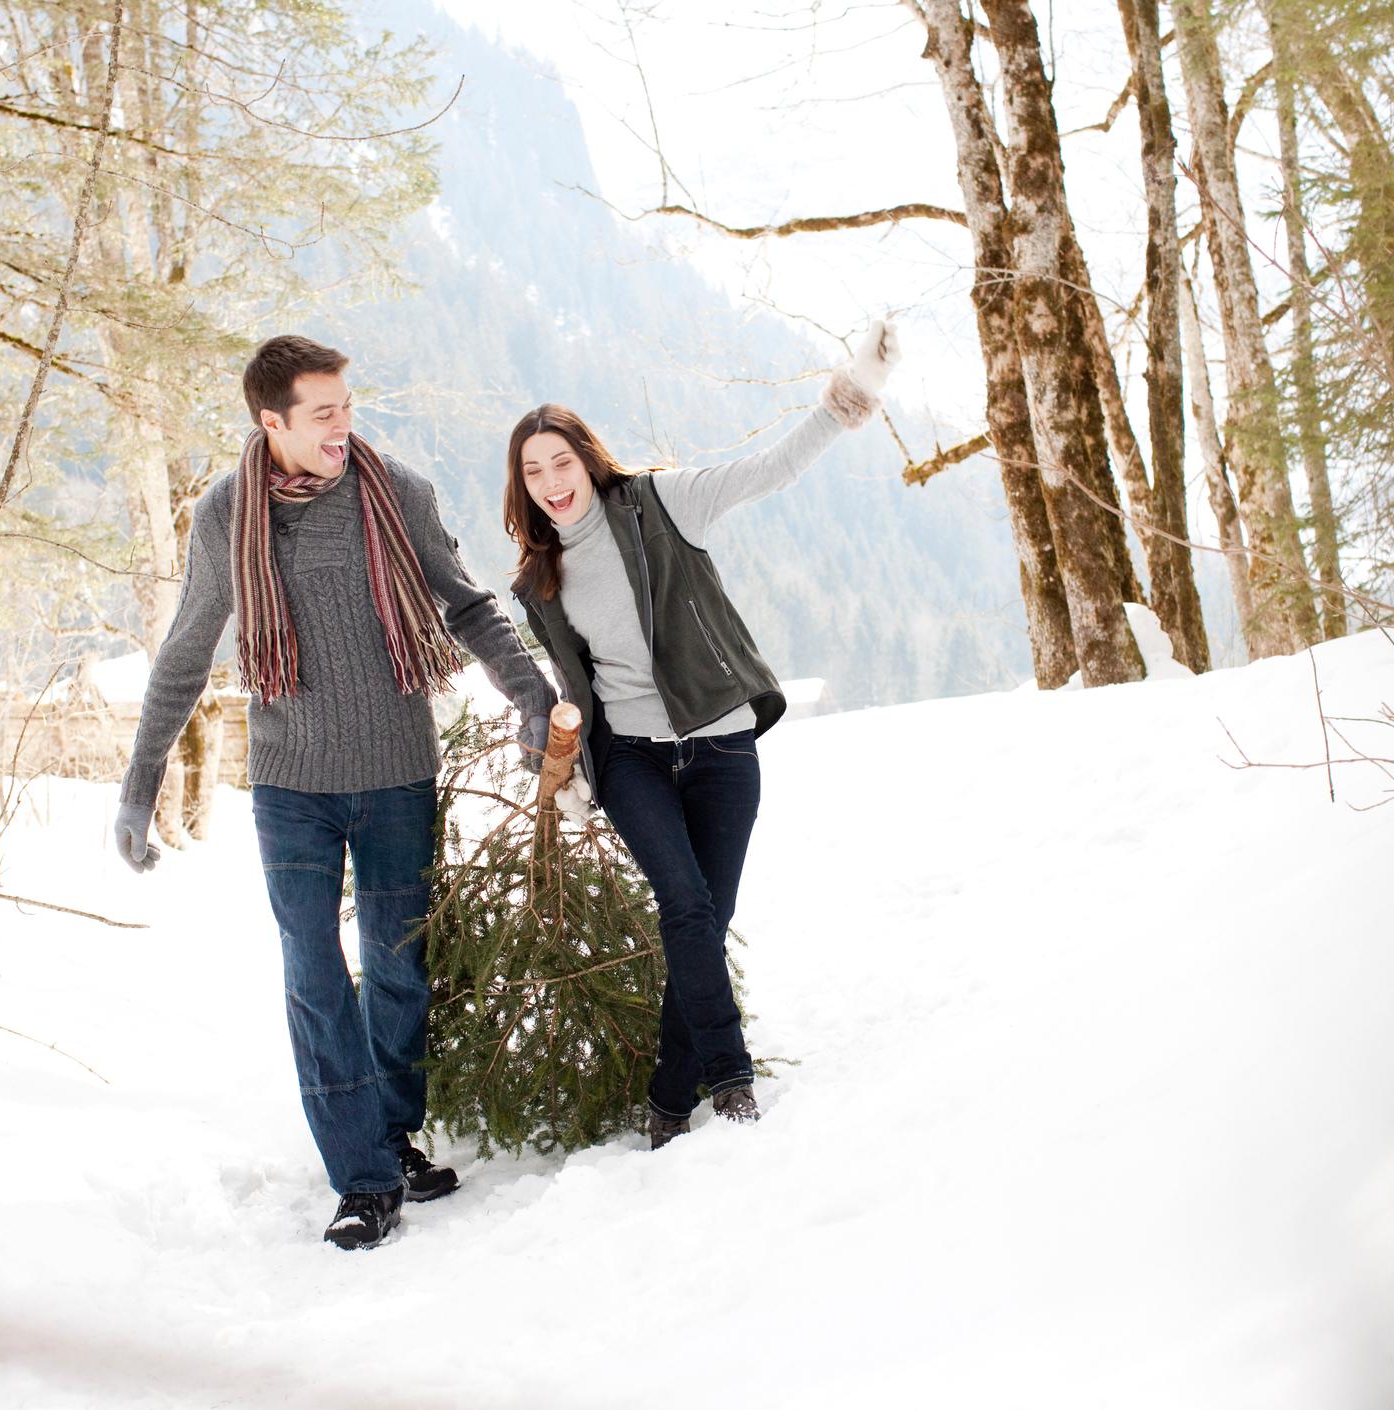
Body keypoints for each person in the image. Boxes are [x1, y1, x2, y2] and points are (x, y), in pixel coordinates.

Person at [114, 334, 555, 1249]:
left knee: (398, 967)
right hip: (291, 785)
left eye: (348, 406)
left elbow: (465, 604)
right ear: (270, 421)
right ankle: (360, 1178)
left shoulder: (396, 491)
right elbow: (189, 649)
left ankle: (391, 1133)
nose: (343, 427)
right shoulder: (227, 515)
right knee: (314, 975)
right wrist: (140, 782)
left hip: (397, 768)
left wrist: (532, 699)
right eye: (323, 413)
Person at [501, 320, 900, 1149]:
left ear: (587, 457)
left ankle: (666, 1097)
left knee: (703, 923)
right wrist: (553, 754)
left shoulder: (658, 504)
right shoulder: (538, 580)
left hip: (719, 747)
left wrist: (848, 397)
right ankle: (731, 1079)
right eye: (532, 471)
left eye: (560, 462)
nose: (549, 482)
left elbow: (771, 469)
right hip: (631, 761)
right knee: (682, 905)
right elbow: (564, 687)